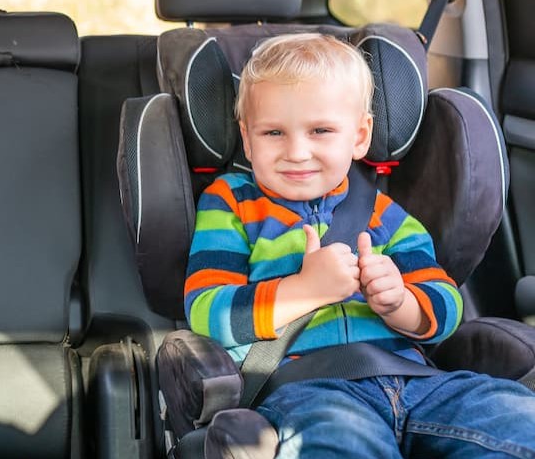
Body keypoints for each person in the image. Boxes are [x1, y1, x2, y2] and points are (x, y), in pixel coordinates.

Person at [185, 33, 535, 458]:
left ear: (359, 136)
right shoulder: (231, 203)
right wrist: (305, 290)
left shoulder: (385, 214)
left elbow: (445, 304)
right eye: (273, 132)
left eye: (321, 131)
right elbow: (207, 311)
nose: (297, 151)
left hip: (418, 382)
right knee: (344, 442)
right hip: (308, 389)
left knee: (512, 417)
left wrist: (400, 301)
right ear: (247, 136)